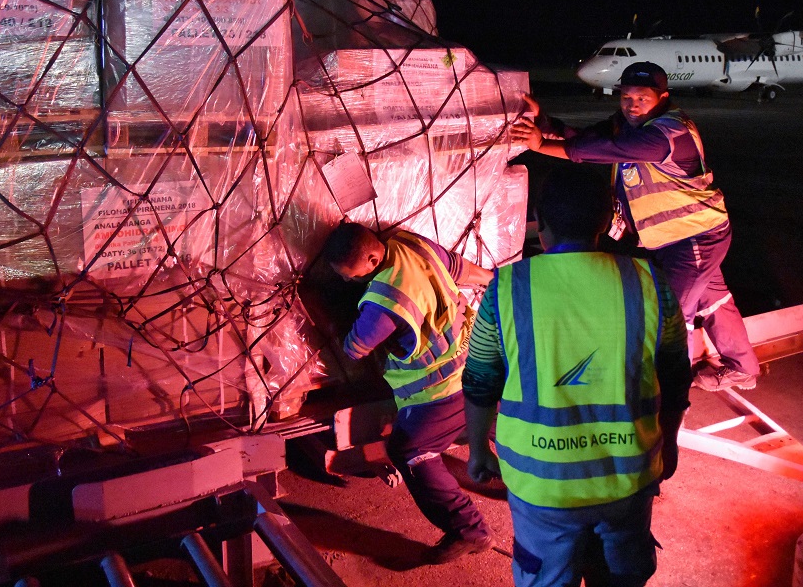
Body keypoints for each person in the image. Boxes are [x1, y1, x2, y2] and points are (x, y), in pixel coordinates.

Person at [464, 163, 692, 586]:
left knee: (546, 576)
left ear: (541, 223)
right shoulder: (650, 284)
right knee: (622, 573)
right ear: (607, 222)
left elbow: (480, 380)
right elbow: (677, 377)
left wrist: (478, 451)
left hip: (541, 485)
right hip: (629, 477)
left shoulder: (506, 288)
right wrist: (669, 445)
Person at [509, 61, 760, 391]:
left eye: (642, 98)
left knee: (669, 316)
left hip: (693, 237)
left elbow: (606, 150)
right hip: (681, 236)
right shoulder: (627, 124)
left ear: (663, 97)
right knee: (714, 301)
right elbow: (588, 137)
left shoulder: (668, 133)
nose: (632, 105)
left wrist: (542, 146)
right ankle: (742, 369)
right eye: (626, 97)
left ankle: (663, 396)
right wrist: (545, 123)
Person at [321, 221, 495, 564]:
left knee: (409, 449)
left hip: (440, 390)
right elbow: (458, 266)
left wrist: (334, 312)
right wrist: (496, 279)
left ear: (372, 259)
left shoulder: (383, 302)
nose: (346, 280)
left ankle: (468, 529)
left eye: (348, 274)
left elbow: (354, 349)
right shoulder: (411, 243)